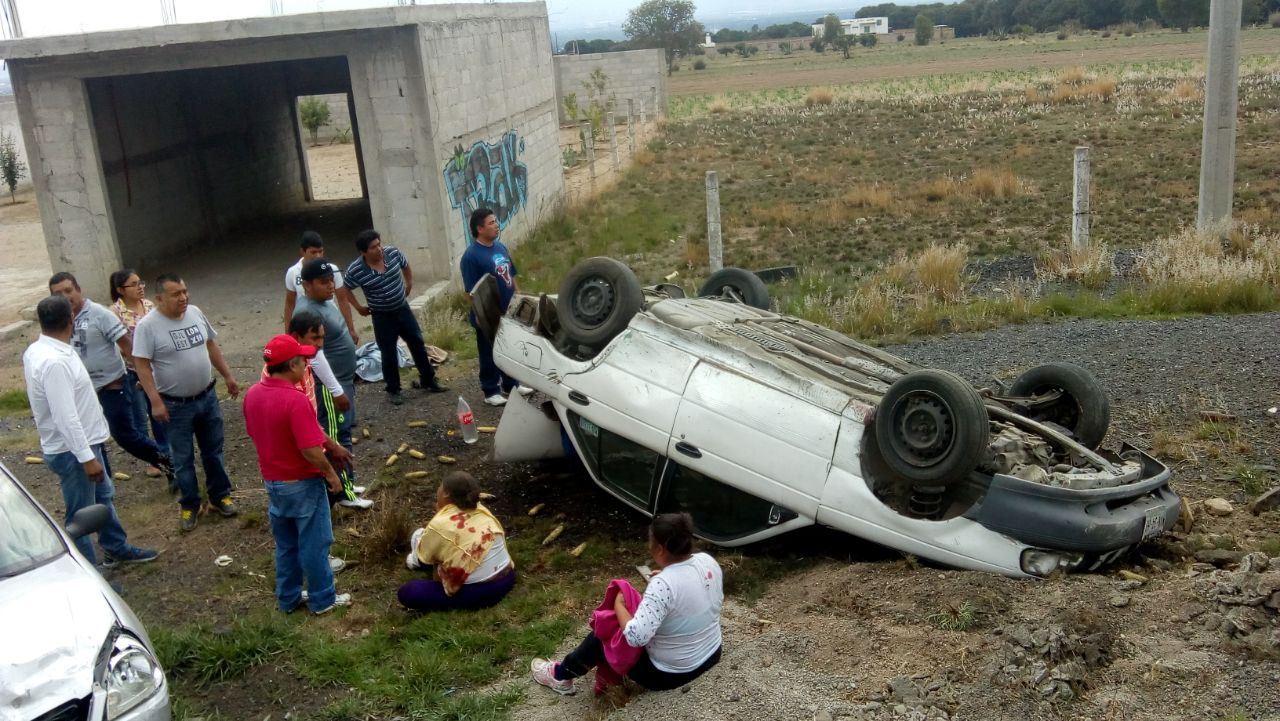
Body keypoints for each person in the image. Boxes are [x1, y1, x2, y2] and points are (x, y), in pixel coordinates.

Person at [22, 295, 159, 569]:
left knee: (103, 497)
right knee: (81, 515)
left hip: (82, 446)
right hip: (73, 452)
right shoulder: (54, 362)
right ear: (71, 319)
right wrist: (86, 458)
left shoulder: (42, 350)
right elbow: (65, 416)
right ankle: (87, 571)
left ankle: (115, 548)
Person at [531, 513, 723, 695]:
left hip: (670, 675)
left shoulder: (663, 585)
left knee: (605, 630)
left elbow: (635, 637)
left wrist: (619, 606)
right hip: (712, 653)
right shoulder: (707, 561)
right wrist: (667, 577)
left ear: (659, 549)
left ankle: (560, 675)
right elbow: (697, 593)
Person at [243, 334, 353, 615]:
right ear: (292, 366)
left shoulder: (253, 393)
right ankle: (323, 599)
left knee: (286, 545)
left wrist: (333, 445)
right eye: (303, 360)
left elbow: (262, 432)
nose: (306, 364)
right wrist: (330, 474)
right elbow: (308, 448)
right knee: (316, 544)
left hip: (273, 483)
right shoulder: (295, 399)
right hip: (302, 483)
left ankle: (289, 597)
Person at [132, 273, 240, 532]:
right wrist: (155, 401)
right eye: (176, 294)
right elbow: (142, 366)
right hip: (175, 405)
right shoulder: (148, 327)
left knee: (213, 451)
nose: (183, 297)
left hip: (207, 396)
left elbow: (211, 345)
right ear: (159, 298)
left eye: (184, 291)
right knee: (182, 458)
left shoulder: (195, 313)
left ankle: (220, 496)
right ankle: (190, 504)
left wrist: (227, 375)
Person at [48, 272, 176, 487]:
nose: (65, 296)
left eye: (68, 290)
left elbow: (128, 347)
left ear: (78, 289)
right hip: (81, 392)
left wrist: (149, 382)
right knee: (92, 439)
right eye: (57, 294)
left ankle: (167, 462)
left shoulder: (99, 314)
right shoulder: (58, 321)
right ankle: (102, 484)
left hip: (111, 386)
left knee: (125, 435)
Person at [293, 259, 370, 509]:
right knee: (338, 437)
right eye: (323, 282)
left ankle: (347, 482)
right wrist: (336, 390)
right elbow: (315, 355)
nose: (330, 286)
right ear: (307, 285)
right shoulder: (309, 312)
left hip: (342, 379)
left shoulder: (323, 302)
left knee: (343, 432)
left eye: (331, 281)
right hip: (330, 385)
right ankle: (344, 492)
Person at [341, 229, 446, 405]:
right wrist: (358, 308)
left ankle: (429, 380)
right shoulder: (356, 270)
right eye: (373, 247)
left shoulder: (393, 253)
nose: (379, 249)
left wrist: (409, 283)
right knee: (388, 353)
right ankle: (394, 390)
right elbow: (345, 289)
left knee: (417, 342)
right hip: (382, 316)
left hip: (402, 309)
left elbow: (406, 265)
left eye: (379, 244)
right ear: (363, 252)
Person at [281, 309, 371, 511]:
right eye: (315, 338)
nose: (320, 344)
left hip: (312, 414)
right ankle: (342, 492)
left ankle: (341, 487)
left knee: (335, 442)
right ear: (297, 336)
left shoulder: (302, 354)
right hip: (314, 416)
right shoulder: (290, 365)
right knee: (337, 442)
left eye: (322, 337)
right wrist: (337, 391)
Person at [399, 471, 515, 612]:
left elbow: (425, 563)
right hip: (508, 577)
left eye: (440, 487)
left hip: (482, 592)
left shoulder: (440, 523)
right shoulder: (480, 509)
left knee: (409, 592)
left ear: (446, 493)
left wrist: (437, 518)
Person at [108, 268, 170, 480]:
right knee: (139, 415)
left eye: (140, 282)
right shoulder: (114, 313)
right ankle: (152, 458)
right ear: (120, 290)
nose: (140, 287)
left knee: (158, 410)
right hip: (132, 371)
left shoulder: (151, 306)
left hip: (155, 368)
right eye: (133, 284)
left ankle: (165, 452)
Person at [460, 207, 519, 407]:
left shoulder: (500, 247)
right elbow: (471, 291)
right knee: (488, 352)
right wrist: (479, 314)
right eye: (492, 223)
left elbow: (511, 274)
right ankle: (490, 390)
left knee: (508, 349)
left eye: (496, 221)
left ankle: (511, 385)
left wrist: (518, 296)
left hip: (508, 310)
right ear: (480, 228)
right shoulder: (471, 256)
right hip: (487, 314)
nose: (497, 226)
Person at [282, 231, 358, 343]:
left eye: (320, 251)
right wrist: (288, 335)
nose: (317, 256)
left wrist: (351, 329)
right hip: (307, 325)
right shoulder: (293, 272)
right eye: (313, 252)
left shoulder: (332, 269)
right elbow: (290, 303)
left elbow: (342, 300)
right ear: (302, 251)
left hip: (330, 320)